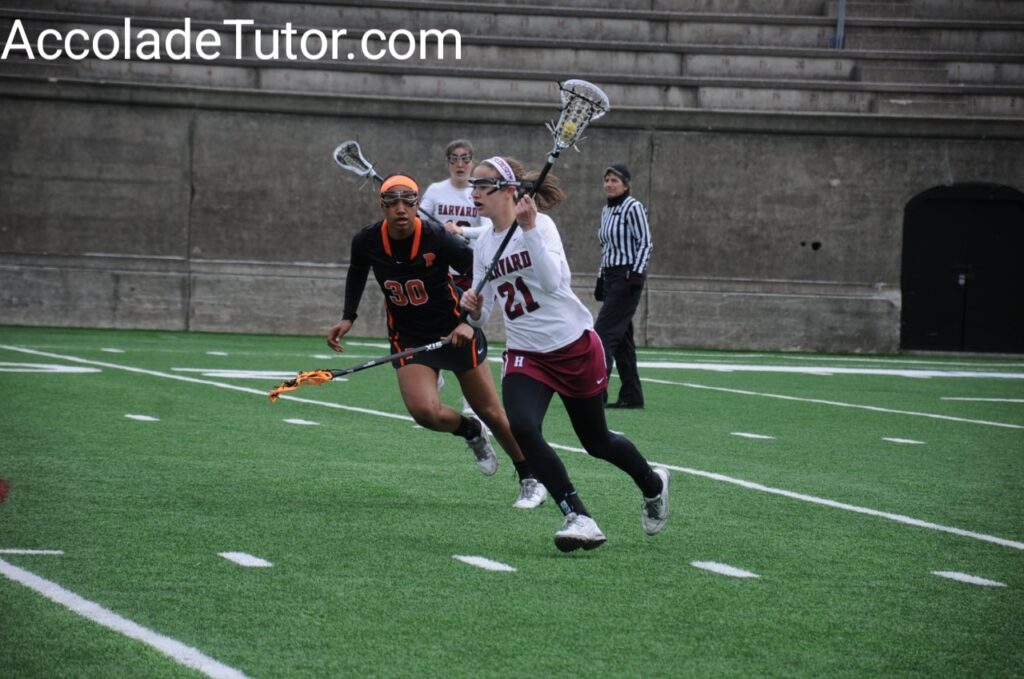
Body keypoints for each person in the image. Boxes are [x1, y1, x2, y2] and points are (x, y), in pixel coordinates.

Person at [460, 157, 670, 552]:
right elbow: (483, 313)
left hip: (572, 346)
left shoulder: (542, 227)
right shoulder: (485, 242)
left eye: (482, 185)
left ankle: (653, 483)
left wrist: (529, 228)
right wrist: (472, 306)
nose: (473, 194)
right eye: (472, 185)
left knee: (597, 442)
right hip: (526, 353)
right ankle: (578, 516)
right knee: (522, 426)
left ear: (508, 190)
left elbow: (555, 281)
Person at [326, 173, 547, 509]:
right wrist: (348, 316)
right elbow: (357, 271)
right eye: (393, 203)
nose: (400, 209)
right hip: (408, 334)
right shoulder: (367, 240)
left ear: (417, 205)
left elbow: (480, 273)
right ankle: (469, 431)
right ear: (381, 206)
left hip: (453, 330)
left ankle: (530, 475)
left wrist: (467, 322)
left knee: (492, 411)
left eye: (408, 202)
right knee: (424, 412)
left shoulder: (436, 238)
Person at [594, 164, 653, 409]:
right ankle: (632, 395)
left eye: (615, 180)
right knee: (622, 339)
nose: (609, 184)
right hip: (611, 276)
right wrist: (600, 277)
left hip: (627, 276)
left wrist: (635, 274)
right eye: (607, 180)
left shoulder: (633, 207)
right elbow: (606, 247)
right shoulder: (607, 210)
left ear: (626, 184)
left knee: (603, 334)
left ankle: (597, 392)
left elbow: (646, 242)